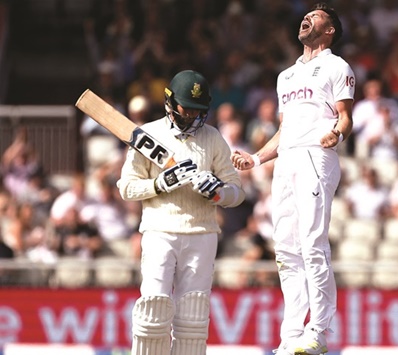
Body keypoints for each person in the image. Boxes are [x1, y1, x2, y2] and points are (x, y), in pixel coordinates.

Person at [231, 3, 354, 354]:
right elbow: (284, 130)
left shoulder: (336, 66)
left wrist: (337, 136)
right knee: (285, 249)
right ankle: (291, 336)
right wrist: (255, 158)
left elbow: (345, 117)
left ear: (329, 30)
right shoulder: (286, 75)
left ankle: (319, 331)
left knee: (312, 244)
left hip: (316, 156)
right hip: (286, 160)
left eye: (317, 17)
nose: (308, 18)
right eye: (307, 14)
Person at [116, 69, 245, 355]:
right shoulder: (148, 135)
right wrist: (161, 183)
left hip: (202, 233)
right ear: (170, 103)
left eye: (199, 110)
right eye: (187, 108)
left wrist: (218, 192)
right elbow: (126, 188)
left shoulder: (212, 137)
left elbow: (238, 192)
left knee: (193, 316)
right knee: (154, 308)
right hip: (160, 230)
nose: (192, 116)